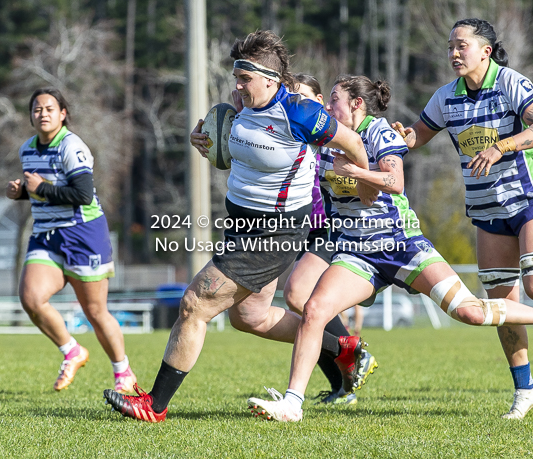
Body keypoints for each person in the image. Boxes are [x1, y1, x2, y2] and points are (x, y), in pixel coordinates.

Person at [246, 74, 533, 423]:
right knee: (314, 309)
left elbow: (394, 180)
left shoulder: (377, 133)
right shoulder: (324, 142)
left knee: (468, 312)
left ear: (357, 104)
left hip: (402, 246)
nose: (327, 107)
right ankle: (293, 403)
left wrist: (358, 173)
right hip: (356, 251)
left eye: (334, 100)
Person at [102, 30, 377, 423]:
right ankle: (343, 348)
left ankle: (154, 404)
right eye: (236, 77)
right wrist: (208, 144)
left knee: (194, 304)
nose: (237, 85)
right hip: (242, 226)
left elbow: (352, 143)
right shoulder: (238, 105)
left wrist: (364, 182)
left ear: (270, 78)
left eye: (244, 78)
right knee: (250, 318)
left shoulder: (300, 112)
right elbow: (240, 154)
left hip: (274, 232)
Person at [389, 18, 533, 418]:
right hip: (487, 212)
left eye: (462, 46)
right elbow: (415, 138)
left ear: (485, 51)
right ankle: (526, 390)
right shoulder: (444, 97)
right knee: (500, 306)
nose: (454, 53)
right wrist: (397, 138)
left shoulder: (510, 81)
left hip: (530, 200)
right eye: (451, 47)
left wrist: (501, 146)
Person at [5, 88, 137, 393]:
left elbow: (81, 194)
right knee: (31, 299)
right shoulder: (28, 149)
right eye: (37, 109)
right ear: (31, 116)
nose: (43, 114)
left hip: (83, 234)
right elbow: (42, 189)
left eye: (50, 108)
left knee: (95, 312)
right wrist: (21, 191)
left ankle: (123, 372)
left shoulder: (72, 145)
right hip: (46, 235)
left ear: (63, 113)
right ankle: (72, 351)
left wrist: (40, 189)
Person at [283, 73, 378, 406]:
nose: (298, 104)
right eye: (291, 97)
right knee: (307, 309)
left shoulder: (332, 139)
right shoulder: (290, 134)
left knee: (299, 297)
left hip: (334, 230)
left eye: (304, 97)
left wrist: (401, 140)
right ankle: (343, 380)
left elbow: (379, 162)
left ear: (321, 102)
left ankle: (352, 352)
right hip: (303, 231)